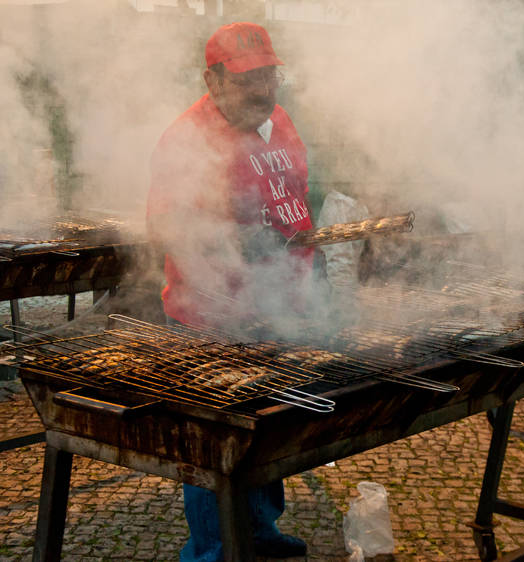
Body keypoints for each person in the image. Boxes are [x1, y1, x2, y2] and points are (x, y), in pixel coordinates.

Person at [146, 21, 313, 560]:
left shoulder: (279, 120)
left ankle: (259, 531)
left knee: (268, 425)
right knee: (212, 444)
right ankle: (212, 551)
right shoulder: (187, 138)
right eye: (246, 79)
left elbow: (298, 192)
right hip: (210, 314)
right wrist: (232, 246)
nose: (262, 90)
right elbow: (168, 228)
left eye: (269, 75)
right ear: (212, 80)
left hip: (278, 306)